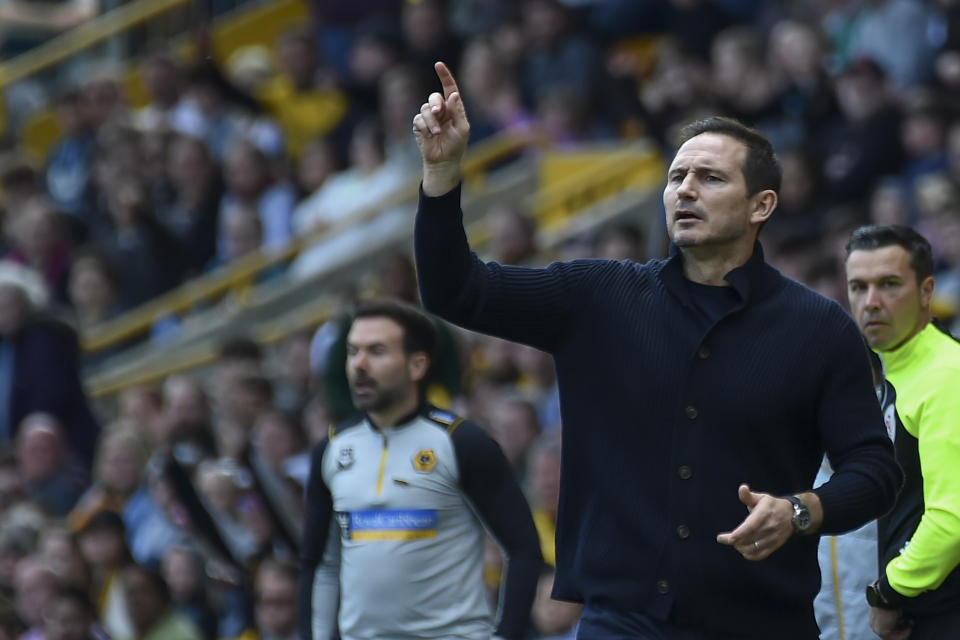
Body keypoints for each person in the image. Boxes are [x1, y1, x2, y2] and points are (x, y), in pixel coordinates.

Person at [412, 61, 902, 639]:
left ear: (761, 206)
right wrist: (442, 174)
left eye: (710, 178)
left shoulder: (819, 328)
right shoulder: (597, 295)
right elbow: (456, 291)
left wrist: (801, 511)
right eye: (676, 177)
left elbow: (874, 471)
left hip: (762, 625)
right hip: (620, 623)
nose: (686, 189)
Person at [299, 298, 542, 640]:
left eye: (377, 351)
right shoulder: (331, 449)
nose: (359, 365)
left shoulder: (462, 442)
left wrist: (506, 635)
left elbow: (523, 549)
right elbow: (319, 564)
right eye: (353, 352)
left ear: (417, 365)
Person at [844, 225, 960, 638]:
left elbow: (952, 520)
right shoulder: (897, 371)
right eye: (858, 287)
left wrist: (887, 593)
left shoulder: (947, 375)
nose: (871, 302)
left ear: (927, 290)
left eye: (888, 285)